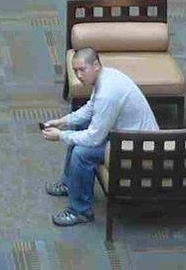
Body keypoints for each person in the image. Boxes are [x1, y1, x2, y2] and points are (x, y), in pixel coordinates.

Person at [41, 47, 158, 227]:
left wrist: (61, 136)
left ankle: (80, 211)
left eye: (82, 69)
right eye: (75, 71)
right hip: (124, 135)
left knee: (81, 153)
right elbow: (90, 108)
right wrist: (63, 121)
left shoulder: (108, 93)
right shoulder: (105, 77)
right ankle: (70, 184)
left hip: (136, 147)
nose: (78, 75)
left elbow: (93, 139)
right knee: (78, 127)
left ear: (95, 65)